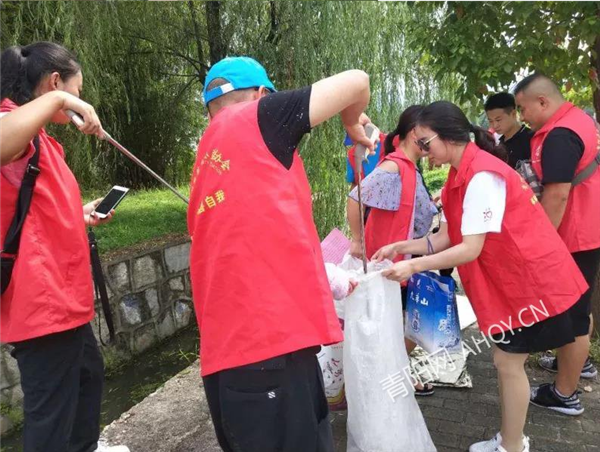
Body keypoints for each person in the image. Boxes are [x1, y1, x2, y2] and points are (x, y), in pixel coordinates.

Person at [373, 100, 588, 452]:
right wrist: (401, 246)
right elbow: (446, 236)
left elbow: (469, 248)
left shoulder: (482, 177)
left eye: (426, 142)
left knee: (508, 361)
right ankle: (510, 440)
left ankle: (513, 445)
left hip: (530, 281)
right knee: (507, 360)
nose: (424, 151)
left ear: (449, 136)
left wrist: (412, 266)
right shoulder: (460, 174)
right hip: (514, 279)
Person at [187, 56, 375, 452]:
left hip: (230, 359)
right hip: (270, 349)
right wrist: (350, 123)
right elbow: (358, 81)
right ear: (261, 95)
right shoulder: (258, 118)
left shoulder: (206, 158)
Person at [0, 42, 129, 452]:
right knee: (51, 417)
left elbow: (34, 211)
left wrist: (81, 214)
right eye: (77, 89)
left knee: (88, 379)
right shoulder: (11, 122)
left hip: (64, 300)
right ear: (56, 82)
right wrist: (60, 100)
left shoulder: (41, 140)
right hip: (41, 304)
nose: (78, 97)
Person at [514, 73, 600, 414]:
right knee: (579, 309)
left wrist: (541, 244)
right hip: (587, 229)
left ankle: (565, 394)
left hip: (574, 236)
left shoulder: (560, 135)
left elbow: (557, 194)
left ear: (543, 101)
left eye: (523, 109)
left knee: (575, 316)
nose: (522, 117)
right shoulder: (578, 120)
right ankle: (575, 365)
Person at [346, 105, 439, 395]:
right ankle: (388, 378)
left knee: (405, 323)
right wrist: (357, 240)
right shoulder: (394, 166)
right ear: (414, 132)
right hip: (389, 260)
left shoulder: (407, 166)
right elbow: (356, 197)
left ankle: (393, 373)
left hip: (404, 256)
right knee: (399, 324)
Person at [484, 92, 533, 169]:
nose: (495, 125)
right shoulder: (499, 145)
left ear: (513, 114)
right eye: (491, 121)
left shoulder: (531, 139)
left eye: (498, 120)